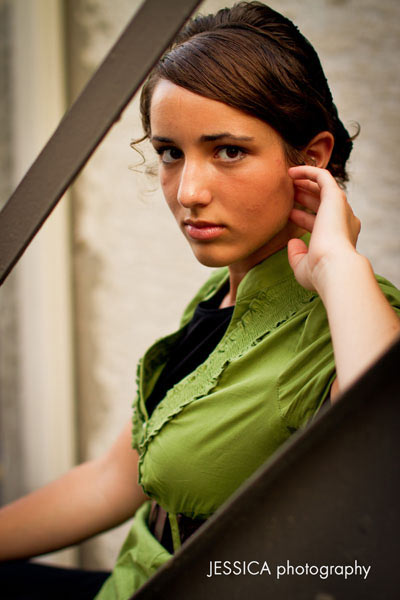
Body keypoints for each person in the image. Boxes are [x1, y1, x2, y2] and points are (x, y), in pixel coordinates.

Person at [1, 2, 399, 599]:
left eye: (228, 151)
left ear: (311, 159)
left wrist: (340, 264)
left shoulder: (353, 323)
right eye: (170, 152)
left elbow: (384, 452)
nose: (188, 192)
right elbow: (113, 480)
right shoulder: (218, 297)